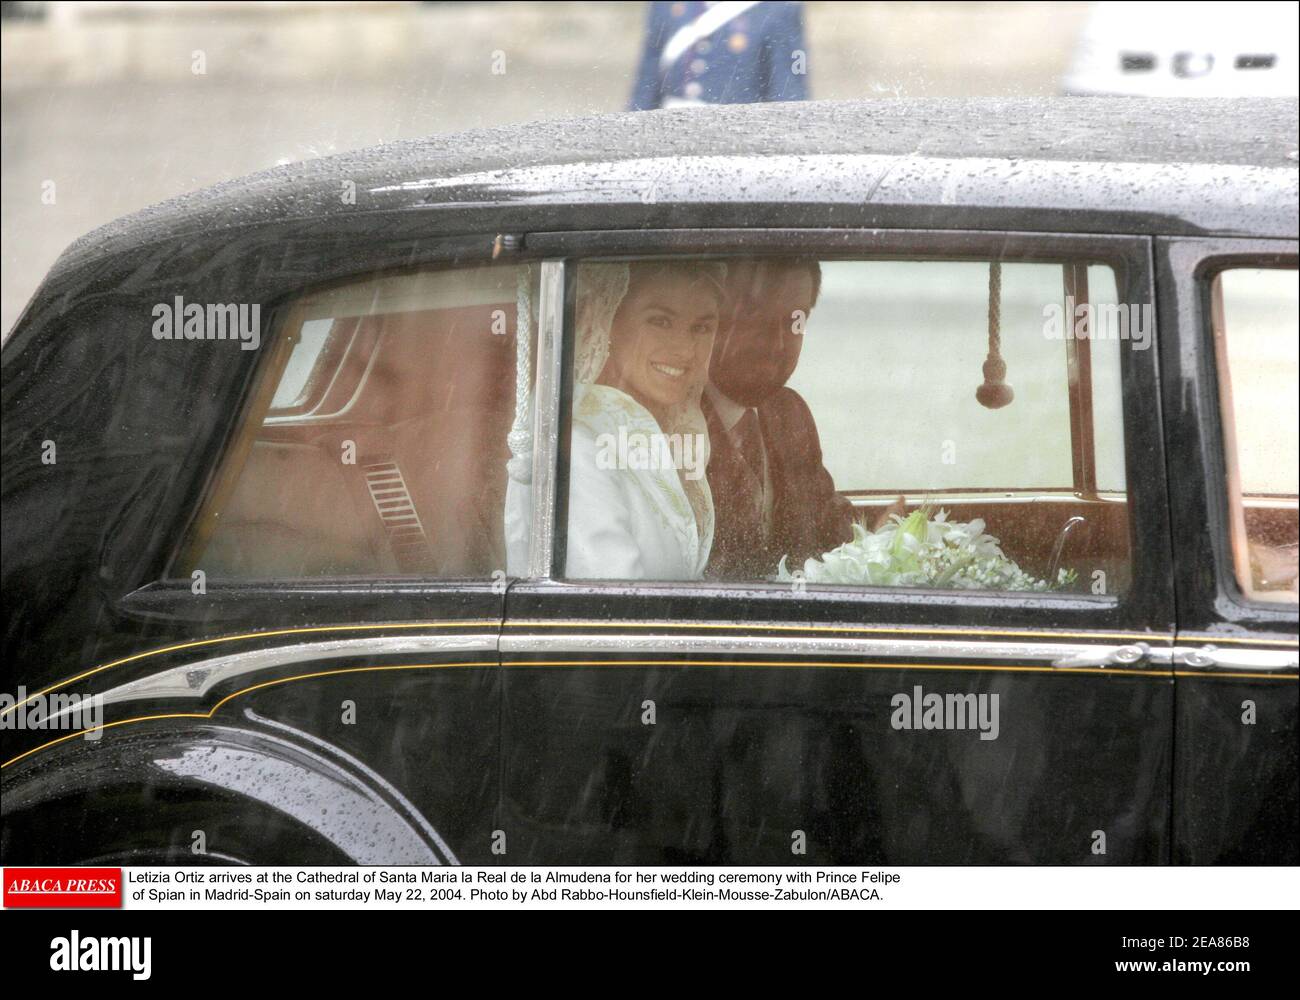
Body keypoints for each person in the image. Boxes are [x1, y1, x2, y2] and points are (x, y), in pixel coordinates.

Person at [562, 261, 726, 580]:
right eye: (660, 321)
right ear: (609, 322)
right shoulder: (581, 446)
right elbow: (613, 608)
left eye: (701, 328)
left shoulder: (679, 431)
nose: (685, 350)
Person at [701, 257, 855, 580]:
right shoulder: (670, 424)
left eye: (794, 321)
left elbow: (829, 527)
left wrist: (879, 540)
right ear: (715, 313)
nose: (777, 343)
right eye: (756, 317)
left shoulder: (791, 413)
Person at [629, 1, 809, 111]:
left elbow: (788, 93)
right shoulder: (665, 5)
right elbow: (646, 86)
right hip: (668, 139)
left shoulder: (778, 8)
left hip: (739, 144)